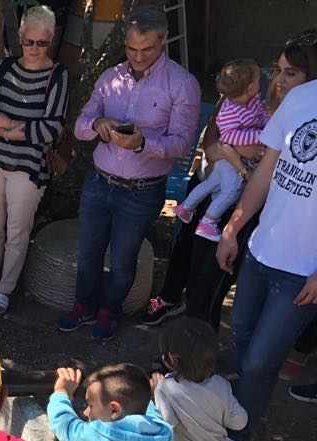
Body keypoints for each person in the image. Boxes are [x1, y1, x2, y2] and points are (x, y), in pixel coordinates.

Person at [143, 32, 317, 329]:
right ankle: (174, 307)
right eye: (278, 70)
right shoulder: (256, 89)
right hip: (215, 185)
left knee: (212, 278)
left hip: (249, 204)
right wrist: (223, 150)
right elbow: (215, 134)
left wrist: (243, 153)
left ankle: (196, 353)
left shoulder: (304, 111)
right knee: (189, 252)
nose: (280, 79)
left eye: (291, 73)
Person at [58, 6, 200, 340]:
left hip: (142, 190)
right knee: (89, 251)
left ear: (163, 41)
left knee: (123, 259)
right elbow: (79, 127)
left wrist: (141, 144)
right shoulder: (110, 78)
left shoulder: (182, 84)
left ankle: (110, 309)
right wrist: (97, 123)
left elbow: (182, 144)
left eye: (146, 49)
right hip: (99, 181)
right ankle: (84, 306)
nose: (137, 56)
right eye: (131, 49)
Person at [215, 70, 317, 440]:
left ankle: (237, 435)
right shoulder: (302, 96)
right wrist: (233, 228)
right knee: (241, 339)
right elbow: (264, 176)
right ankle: (241, 414)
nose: (279, 76)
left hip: (304, 273)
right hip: (260, 253)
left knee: (260, 361)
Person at [0, 5, 68, 315]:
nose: (34, 49)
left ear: (50, 40)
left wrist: (5, 126)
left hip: (28, 169)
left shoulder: (57, 76)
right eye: (29, 41)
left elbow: (51, 129)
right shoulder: (5, 68)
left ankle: (5, 289)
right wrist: (14, 129)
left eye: (42, 42)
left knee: (17, 231)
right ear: (20, 37)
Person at [174, 60, 268, 242]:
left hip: (228, 157)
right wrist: (261, 135)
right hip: (228, 160)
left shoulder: (252, 101)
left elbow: (261, 115)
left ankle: (186, 207)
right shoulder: (230, 112)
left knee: (211, 183)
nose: (262, 81)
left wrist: (268, 122)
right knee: (231, 189)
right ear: (249, 87)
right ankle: (209, 221)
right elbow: (230, 138)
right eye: (258, 79)